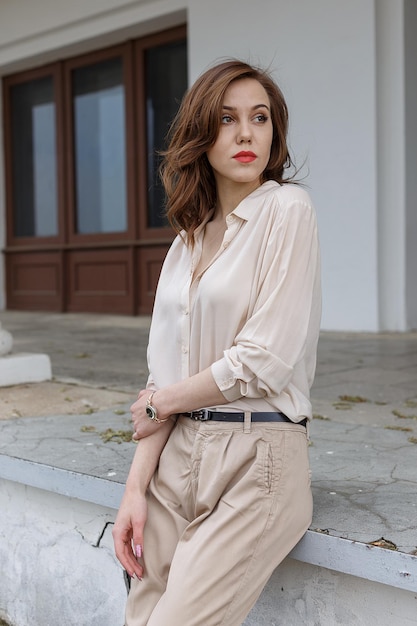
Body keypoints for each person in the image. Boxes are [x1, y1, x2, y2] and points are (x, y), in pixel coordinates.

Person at [112, 59, 321, 626]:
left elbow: (263, 361)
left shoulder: (287, 210)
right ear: (201, 137)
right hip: (175, 457)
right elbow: (163, 381)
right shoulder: (185, 244)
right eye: (227, 119)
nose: (246, 132)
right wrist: (135, 489)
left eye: (260, 117)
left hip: (257, 456)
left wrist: (163, 402)